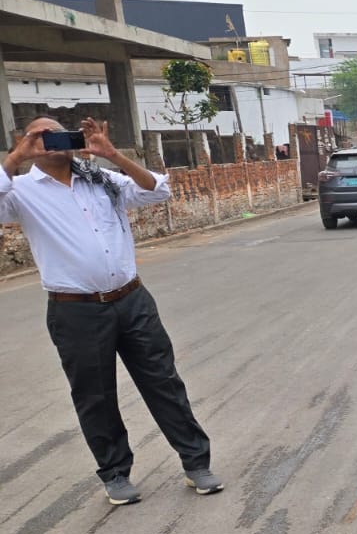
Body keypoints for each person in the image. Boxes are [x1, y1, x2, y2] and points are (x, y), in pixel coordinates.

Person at [0, 116, 221, 505]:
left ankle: (196, 463)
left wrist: (112, 155)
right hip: (76, 311)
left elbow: (157, 191)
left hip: (132, 300)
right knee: (95, 396)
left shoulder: (100, 178)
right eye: (42, 136)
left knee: (164, 382)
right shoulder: (20, 191)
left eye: (60, 134)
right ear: (26, 140)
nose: (54, 142)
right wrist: (16, 157)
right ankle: (116, 474)